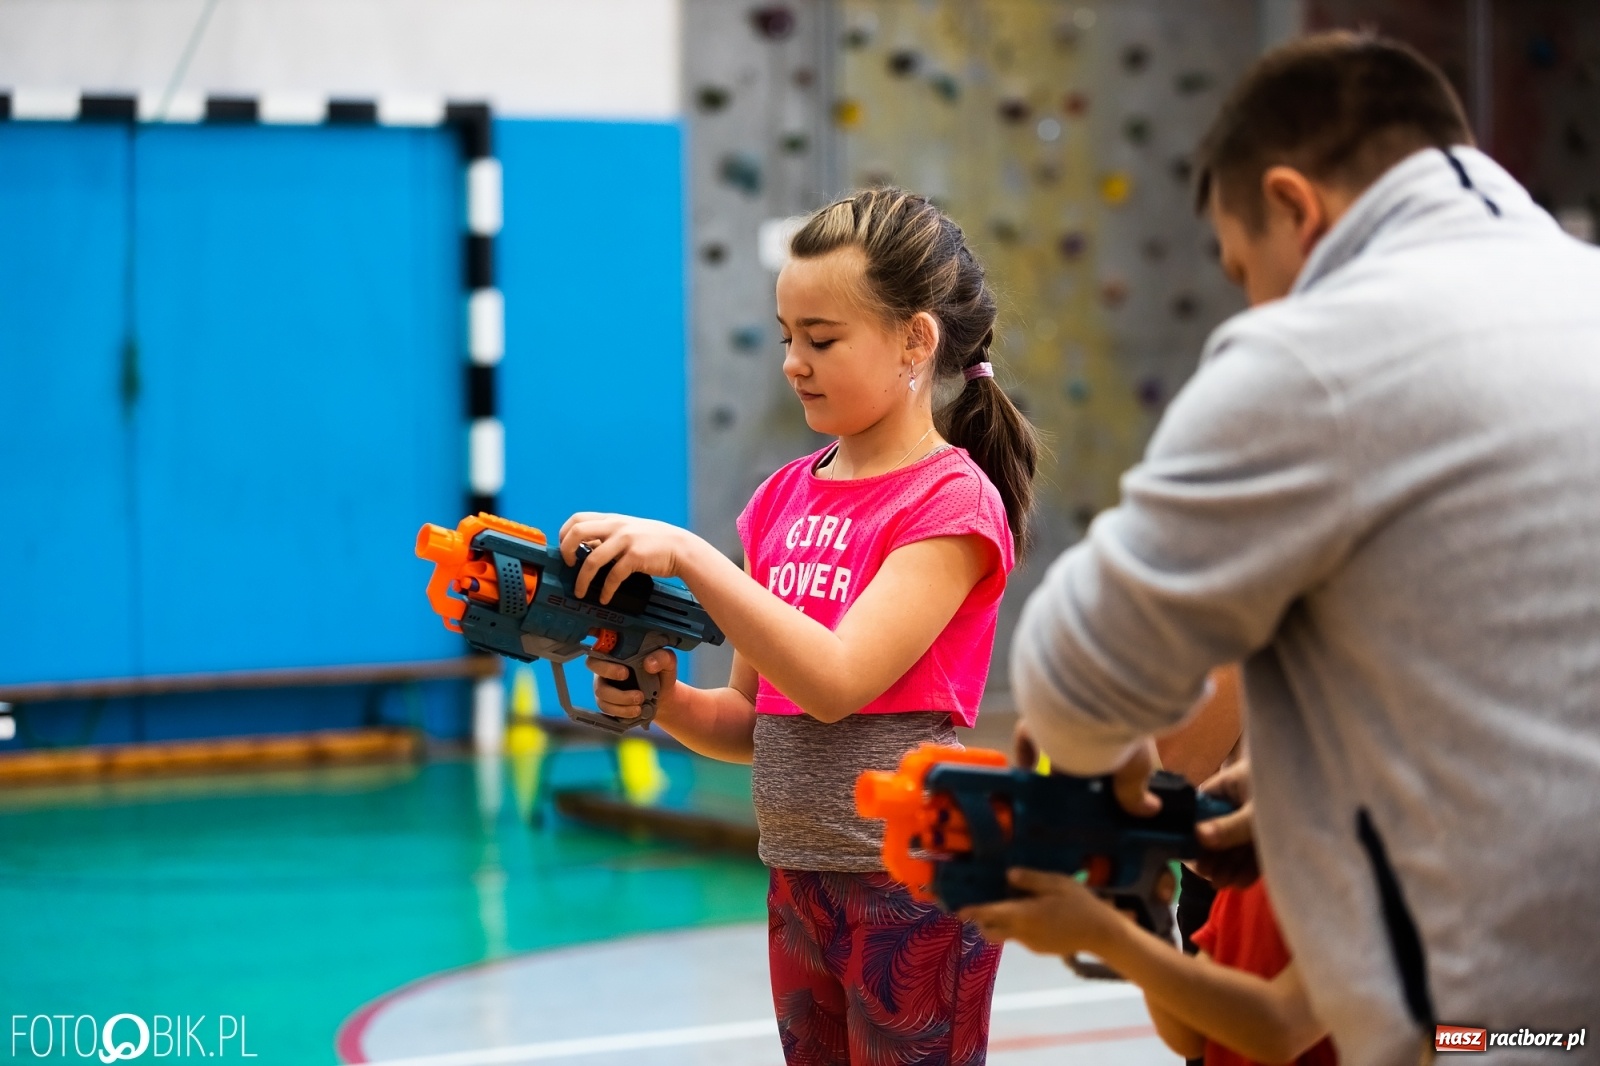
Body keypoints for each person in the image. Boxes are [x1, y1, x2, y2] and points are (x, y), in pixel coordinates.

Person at [1002, 31, 1600, 1065]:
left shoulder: (1325, 351)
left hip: (1509, 1022)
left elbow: (1073, 674)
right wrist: (1291, 787)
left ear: (1293, 206)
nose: (1254, 305)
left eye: (1245, 270)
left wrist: (1112, 776)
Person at [557, 188, 1041, 1065]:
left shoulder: (951, 502)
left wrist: (692, 559)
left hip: (914, 887)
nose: (793, 362)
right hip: (799, 878)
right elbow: (754, 718)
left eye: (822, 339)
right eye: (787, 337)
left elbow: (836, 680)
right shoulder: (780, 499)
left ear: (914, 341)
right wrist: (663, 697)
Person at [961, 857, 1336, 1065]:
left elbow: (1279, 1031)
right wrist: (1149, 931)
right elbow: (1192, 1038)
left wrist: (1106, 935)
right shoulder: (1255, 874)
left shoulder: (1363, 875)